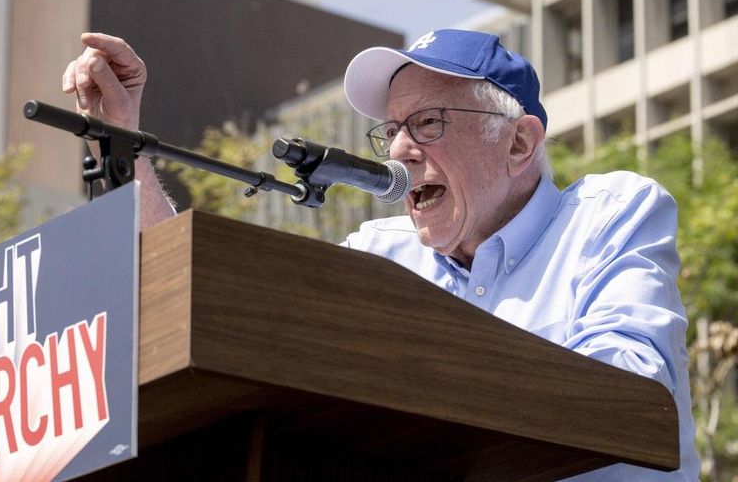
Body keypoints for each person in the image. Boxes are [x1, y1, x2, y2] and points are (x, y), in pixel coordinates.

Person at [63, 29, 699, 480]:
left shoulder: (608, 214)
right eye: (392, 130)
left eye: (427, 123)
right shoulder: (380, 255)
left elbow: (634, 390)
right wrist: (123, 145)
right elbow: (209, 314)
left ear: (518, 143)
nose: (397, 151)